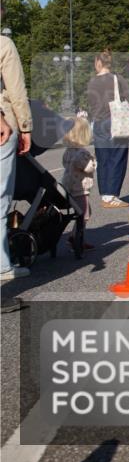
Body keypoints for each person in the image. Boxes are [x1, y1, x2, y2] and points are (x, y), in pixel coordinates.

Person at [1, 35, 33, 280]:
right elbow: (15, 88)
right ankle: (2, 264)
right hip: (4, 127)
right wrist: (24, 126)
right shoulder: (3, 44)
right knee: (1, 199)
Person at [86, 49, 129, 207]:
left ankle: (105, 194)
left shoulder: (92, 82)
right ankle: (112, 195)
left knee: (103, 159)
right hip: (115, 121)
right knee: (118, 158)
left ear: (98, 63)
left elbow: (90, 103)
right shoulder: (117, 79)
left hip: (98, 123)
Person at [61, 117, 96, 251]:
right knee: (84, 214)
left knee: (80, 212)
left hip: (69, 185)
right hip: (80, 188)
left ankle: (77, 236)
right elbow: (88, 168)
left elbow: (64, 163)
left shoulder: (68, 151)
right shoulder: (83, 153)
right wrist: (93, 161)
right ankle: (76, 238)